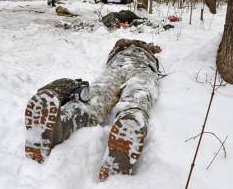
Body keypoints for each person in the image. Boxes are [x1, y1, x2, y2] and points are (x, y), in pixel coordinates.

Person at [24, 39, 162, 180]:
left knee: (99, 98)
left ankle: (68, 121)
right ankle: (129, 121)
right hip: (135, 68)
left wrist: (149, 48)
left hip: (124, 68)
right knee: (131, 96)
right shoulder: (132, 47)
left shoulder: (132, 49)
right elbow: (123, 42)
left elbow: (131, 44)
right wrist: (147, 48)